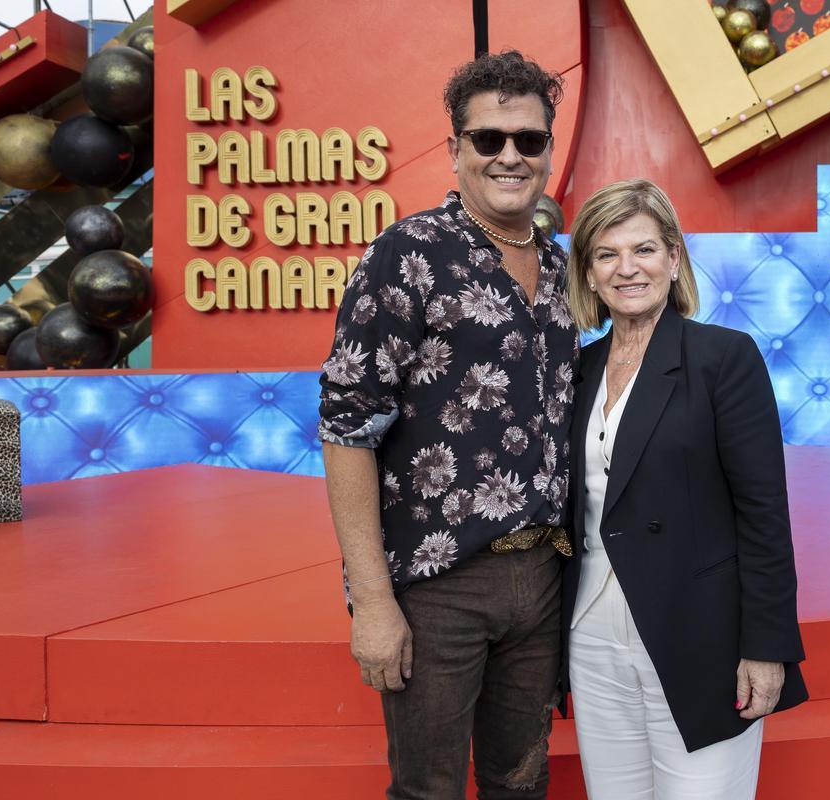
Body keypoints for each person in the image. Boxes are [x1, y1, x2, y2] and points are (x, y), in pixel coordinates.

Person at [317, 51, 578, 800]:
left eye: (528, 140)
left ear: (548, 150)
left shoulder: (563, 268)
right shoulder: (406, 255)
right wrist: (371, 601)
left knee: (522, 783)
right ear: (455, 148)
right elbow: (345, 429)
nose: (509, 155)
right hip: (437, 587)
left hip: (545, 578)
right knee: (427, 789)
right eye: (488, 138)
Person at [561, 179, 807, 799]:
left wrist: (767, 646)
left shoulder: (724, 357)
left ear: (674, 259)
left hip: (699, 634)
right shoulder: (577, 371)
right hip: (591, 633)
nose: (627, 269)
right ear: (588, 274)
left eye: (643, 250)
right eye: (607, 254)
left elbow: (763, 514)